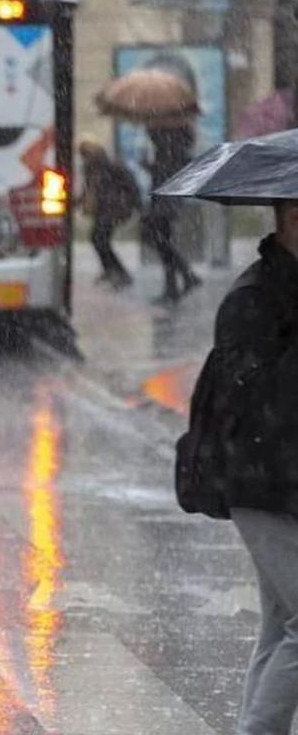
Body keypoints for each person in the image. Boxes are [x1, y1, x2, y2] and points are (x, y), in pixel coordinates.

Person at [205, 200, 298, 735]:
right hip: (262, 480)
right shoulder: (254, 298)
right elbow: (254, 397)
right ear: (291, 222)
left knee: (280, 623)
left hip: (283, 479)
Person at [144, 124, 202, 303]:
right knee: (162, 241)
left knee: (159, 240)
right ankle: (175, 285)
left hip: (165, 201)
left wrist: (151, 167)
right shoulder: (175, 147)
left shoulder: (170, 147)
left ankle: (185, 277)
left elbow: (166, 172)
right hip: (167, 200)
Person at [78, 135, 139, 290]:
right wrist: (76, 202)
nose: (85, 158)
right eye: (83, 155)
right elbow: (88, 190)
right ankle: (111, 270)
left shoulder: (111, 165)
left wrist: (131, 204)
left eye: (87, 154)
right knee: (98, 239)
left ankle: (118, 272)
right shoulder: (89, 169)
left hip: (114, 209)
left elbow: (131, 185)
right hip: (102, 209)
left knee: (100, 239)